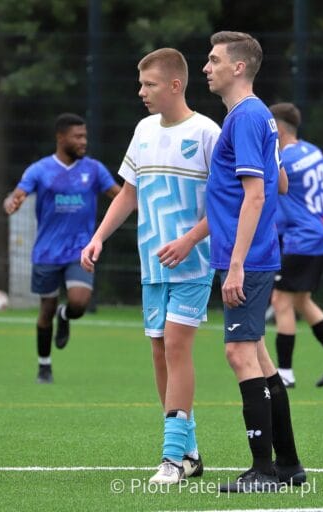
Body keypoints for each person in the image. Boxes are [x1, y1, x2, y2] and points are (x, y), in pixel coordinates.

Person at [80, 48, 219, 484]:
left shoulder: (207, 133)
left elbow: (226, 204)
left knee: (177, 347)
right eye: (141, 84)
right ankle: (190, 450)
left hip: (194, 262)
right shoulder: (142, 130)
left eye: (149, 85)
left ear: (175, 85)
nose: (141, 92)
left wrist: (188, 240)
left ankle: (171, 459)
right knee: (159, 353)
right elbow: (128, 193)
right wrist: (98, 237)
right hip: (152, 265)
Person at [202, 31, 305, 493]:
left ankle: (262, 471)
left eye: (214, 59)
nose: (207, 67)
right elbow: (280, 182)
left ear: (238, 67)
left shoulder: (245, 117)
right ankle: (288, 465)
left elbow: (259, 192)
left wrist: (237, 263)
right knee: (261, 359)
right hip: (257, 253)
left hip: (249, 257)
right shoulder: (258, 117)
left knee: (238, 353)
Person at [4, 113, 120, 384]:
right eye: (77, 137)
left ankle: (65, 315)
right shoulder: (40, 170)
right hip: (46, 251)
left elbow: (120, 195)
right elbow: (17, 194)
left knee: (79, 302)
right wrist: (12, 202)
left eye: (85, 136)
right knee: (45, 310)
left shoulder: (93, 169)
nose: (83, 142)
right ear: (61, 138)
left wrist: (146, 204)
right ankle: (44, 366)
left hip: (80, 250)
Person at [269, 102, 323, 389]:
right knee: (301, 300)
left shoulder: (284, 159)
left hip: (301, 239)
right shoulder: (313, 151)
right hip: (322, 233)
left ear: (279, 128)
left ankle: (285, 372)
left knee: (281, 300)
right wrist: (321, 217)